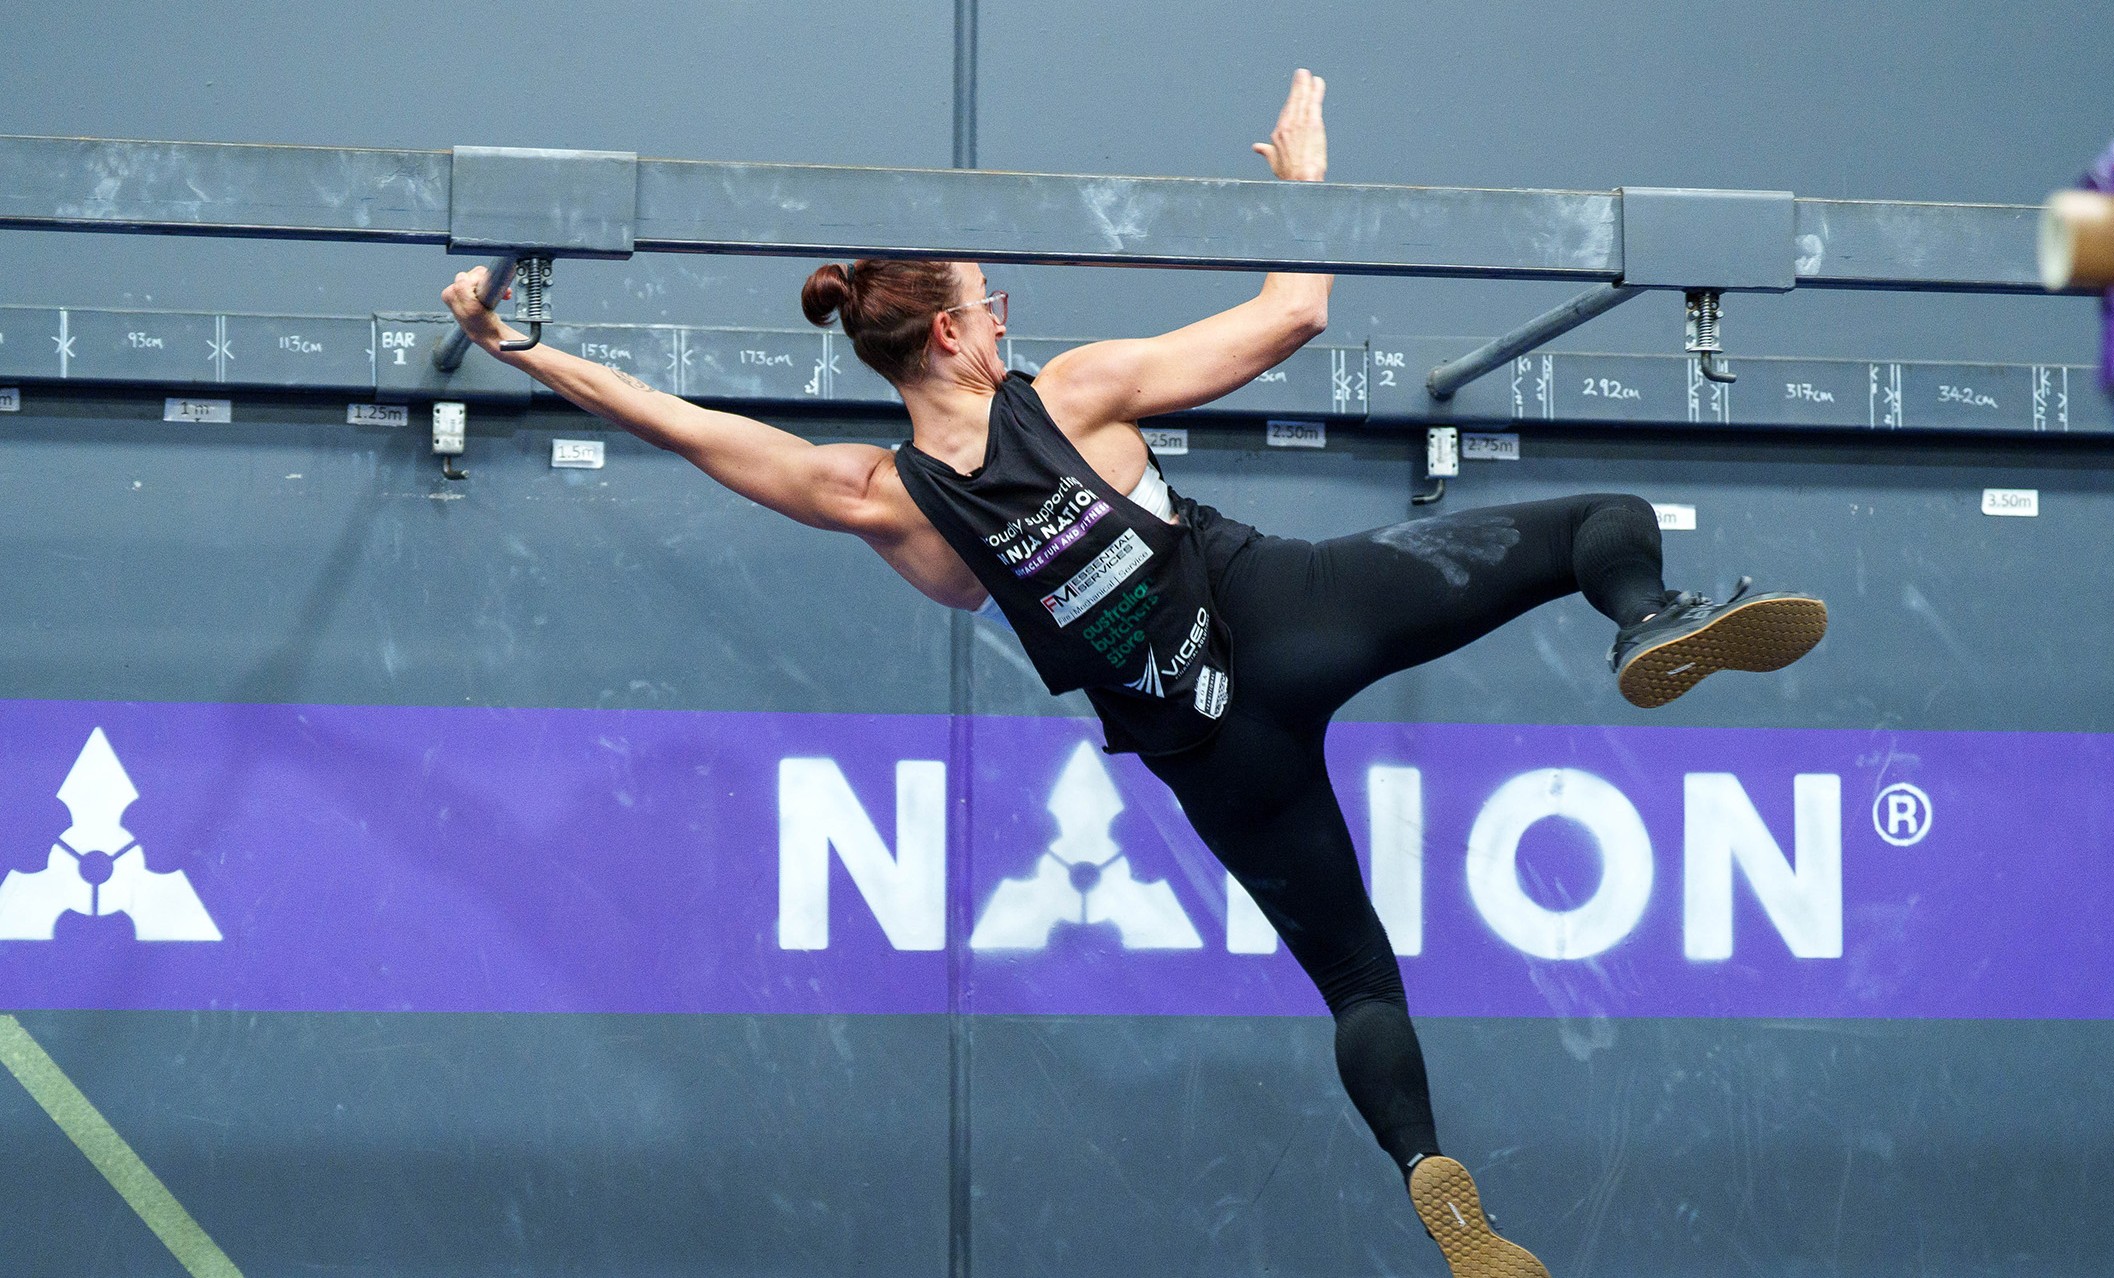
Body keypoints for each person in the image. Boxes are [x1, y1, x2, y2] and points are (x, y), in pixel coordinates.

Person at [442, 68, 1824, 1278]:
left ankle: (1424, 1165)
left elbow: (687, 427)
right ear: (954, 335)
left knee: (1358, 978)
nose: (1004, 319)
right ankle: (1646, 619)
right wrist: (1305, 188)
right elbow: (1293, 315)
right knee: (1598, 526)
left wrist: (527, 347)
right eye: (991, 303)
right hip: (1287, 616)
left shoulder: (885, 497)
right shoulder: (1074, 392)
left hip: (1207, 751)